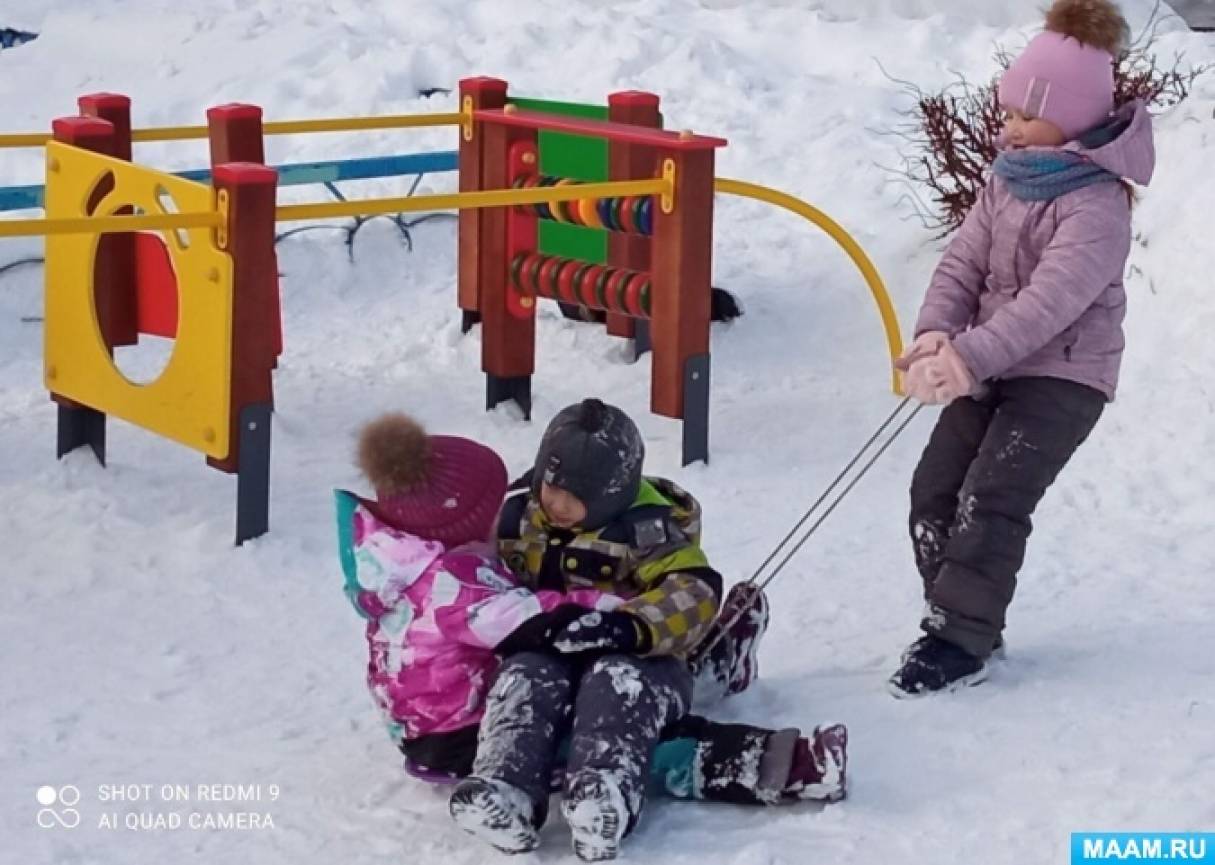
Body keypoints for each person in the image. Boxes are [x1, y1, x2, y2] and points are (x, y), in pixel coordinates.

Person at [337, 412, 847, 856]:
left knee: (623, 697)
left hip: (634, 656)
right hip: (551, 657)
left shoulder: (648, 533)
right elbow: (516, 611)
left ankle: (613, 783)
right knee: (524, 673)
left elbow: (690, 593)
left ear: (611, 495)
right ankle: (505, 785)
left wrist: (626, 624)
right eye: (549, 488)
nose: (554, 505)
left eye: (571, 498)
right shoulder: (512, 519)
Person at [889, 0, 1154, 697]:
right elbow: (961, 265)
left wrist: (968, 357)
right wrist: (932, 335)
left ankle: (958, 638)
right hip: (986, 360)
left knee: (991, 495)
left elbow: (1049, 304)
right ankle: (957, 608)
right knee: (933, 490)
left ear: (1066, 116)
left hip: (1063, 377)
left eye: (1018, 115)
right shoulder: (1005, 178)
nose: (1004, 126)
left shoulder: (1096, 205)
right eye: (1004, 113)